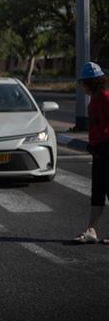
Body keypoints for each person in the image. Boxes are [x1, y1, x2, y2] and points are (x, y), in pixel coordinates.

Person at [73, 62, 109, 245]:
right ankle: (91, 230)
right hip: (98, 153)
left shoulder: (106, 98)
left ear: (91, 83)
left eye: (83, 82)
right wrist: (93, 145)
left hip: (107, 151)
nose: (81, 85)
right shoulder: (94, 101)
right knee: (97, 192)